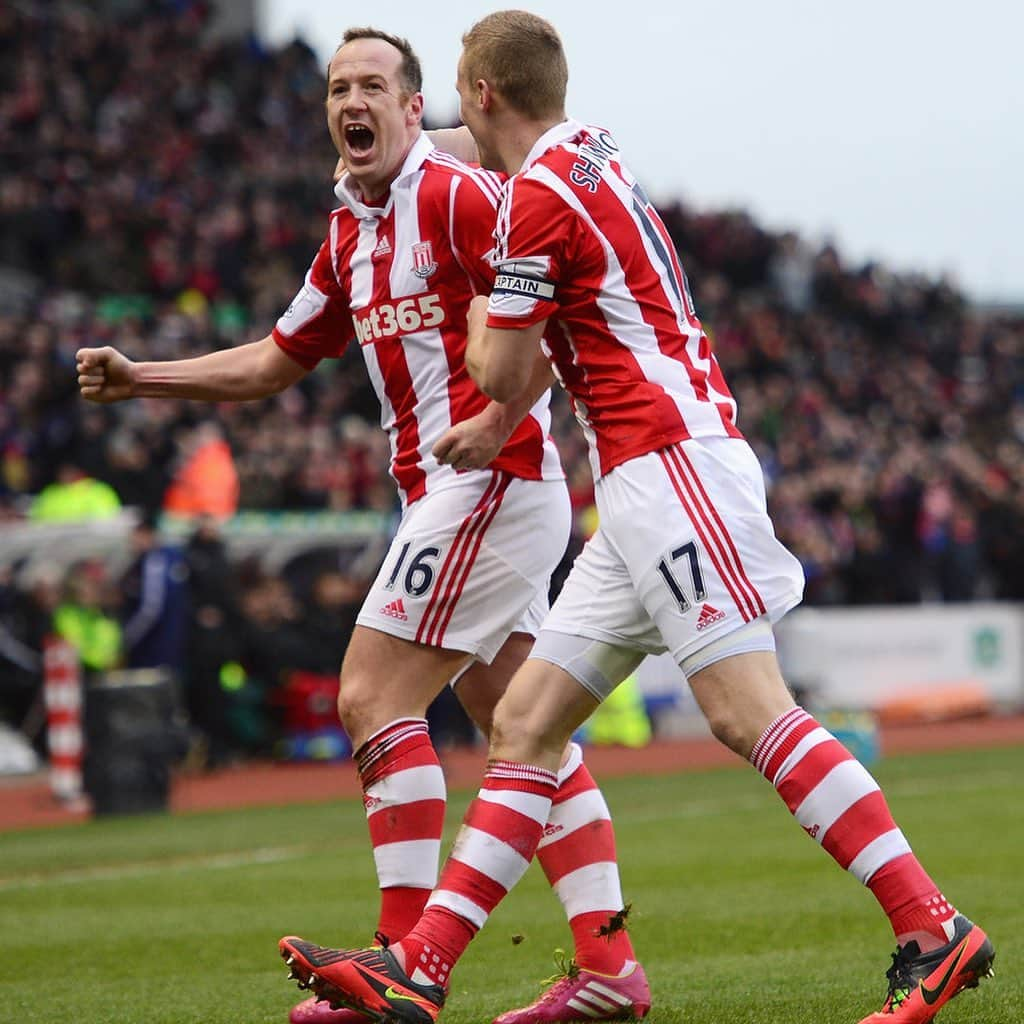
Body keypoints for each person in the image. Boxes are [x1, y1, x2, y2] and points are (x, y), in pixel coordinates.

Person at [278, 12, 995, 1024]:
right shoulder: (587, 149)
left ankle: (930, 928)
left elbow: (505, 372)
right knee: (525, 722)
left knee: (747, 712)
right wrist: (389, 138)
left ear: (478, 96)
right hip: (637, 482)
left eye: (452, 99)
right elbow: (449, 144)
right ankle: (426, 967)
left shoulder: (530, 203)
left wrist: (476, 326)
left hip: (670, 463)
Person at [77, 27, 649, 1024]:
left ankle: (396, 961)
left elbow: (554, 314)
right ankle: (607, 963)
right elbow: (272, 360)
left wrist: (500, 415)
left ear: (412, 105)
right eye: (338, 87)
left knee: (368, 693)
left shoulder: (459, 196)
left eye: (373, 85)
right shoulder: (348, 233)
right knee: (526, 729)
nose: (354, 101)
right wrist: (142, 380)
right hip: (454, 499)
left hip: (493, 486)